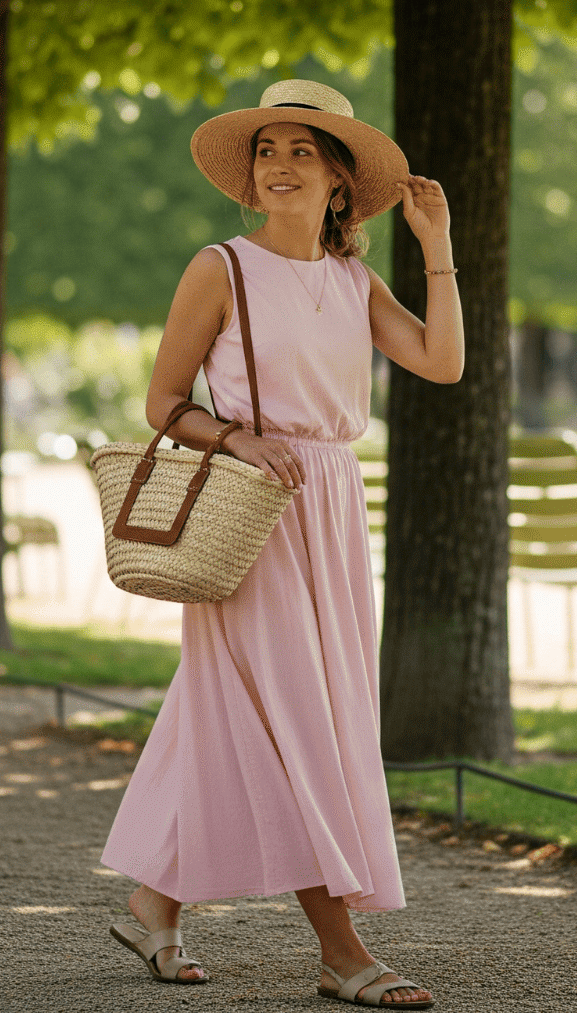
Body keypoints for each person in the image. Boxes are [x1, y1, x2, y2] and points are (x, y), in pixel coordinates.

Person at [99, 79, 461, 1009]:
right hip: (253, 511)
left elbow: (443, 363)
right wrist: (237, 437)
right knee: (295, 717)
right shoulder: (218, 267)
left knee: (253, 710)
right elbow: (161, 403)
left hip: (333, 509)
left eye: (304, 150)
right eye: (268, 150)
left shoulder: (352, 281)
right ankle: (344, 954)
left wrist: (439, 250)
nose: (281, 165)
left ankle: (154, 904)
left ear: (341, 179)